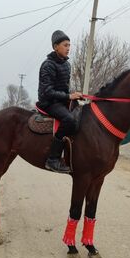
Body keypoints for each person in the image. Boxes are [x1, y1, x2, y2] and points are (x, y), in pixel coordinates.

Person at [36, 30, 83, 174]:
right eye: (65, 45)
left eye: (69, 45)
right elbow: (47, 91)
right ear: (56, 47)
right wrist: (69, 96)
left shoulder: (66, 65)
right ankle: (53, 159)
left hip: (61, 101)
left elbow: (64, 88)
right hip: (49, 102)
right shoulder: (48, 65)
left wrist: (75, 96)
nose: (68, 48)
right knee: (69, 120)